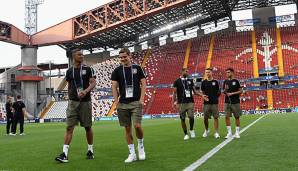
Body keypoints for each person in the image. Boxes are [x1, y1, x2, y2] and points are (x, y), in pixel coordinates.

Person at [55, 49, 96, 163]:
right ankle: (64, 154)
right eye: (79, 54)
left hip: (85, 102)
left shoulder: (88, 69)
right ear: (74, 57)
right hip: (73, 102)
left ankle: (90, 150)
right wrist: (69, 97)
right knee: (69, 127)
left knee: (87, 127)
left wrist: (86, 91)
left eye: (82, 54)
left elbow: (93, 82)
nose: (82, 56)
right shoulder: (69, 71)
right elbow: (69, 86)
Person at [111, 48, 146, 163]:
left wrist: (141, 99)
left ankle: (141, 146)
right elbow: (114, 87)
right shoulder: (117, 71)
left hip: (136, 102)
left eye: (124, 57)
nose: (122, 59)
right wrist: (116, 102)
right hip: (123, 103)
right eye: (120, 57)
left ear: (129, 56)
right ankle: (132, 154)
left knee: (137, 126)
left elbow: (144, 83)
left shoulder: (137, 68)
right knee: (127, 129)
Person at [172, 68, 205, 140]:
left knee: (191, 117)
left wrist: (202, 95)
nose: (187, 72)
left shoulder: (190, 81)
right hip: (181, 103)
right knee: (183, 119)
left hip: (190, 101)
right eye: (186, 71)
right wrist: (174, 103)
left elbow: (195, 91)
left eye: (188, 71)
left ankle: (191, 129)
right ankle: (186, 134)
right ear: (182, 72)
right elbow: (174, 93)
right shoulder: (176, 81)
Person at [200, 68, 221, 138]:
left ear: (211, 73)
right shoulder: (203, 82)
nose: (207, 73)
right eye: (206, 72)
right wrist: (203, 96)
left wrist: (216, 97)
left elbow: (219, 91)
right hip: (206, 103)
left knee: (215, 117)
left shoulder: (216, 82)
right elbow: (202, 92)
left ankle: (216, 132)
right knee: (205, 118)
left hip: (214, 103)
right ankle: (206, 130)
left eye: (208, 72)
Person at [223, 68, 243, 139]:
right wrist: (225, 90)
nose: (227, 74)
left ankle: (237, 132)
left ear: (232, 73)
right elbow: (224, 91)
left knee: (237, 117)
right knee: (226, 117)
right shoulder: (225, 81)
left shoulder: (236, 81)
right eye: (226, 73)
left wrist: (232, 93)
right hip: (227, 102)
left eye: (228, 72)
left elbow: (241, 91)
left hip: (235, 102)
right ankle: (229, 132)